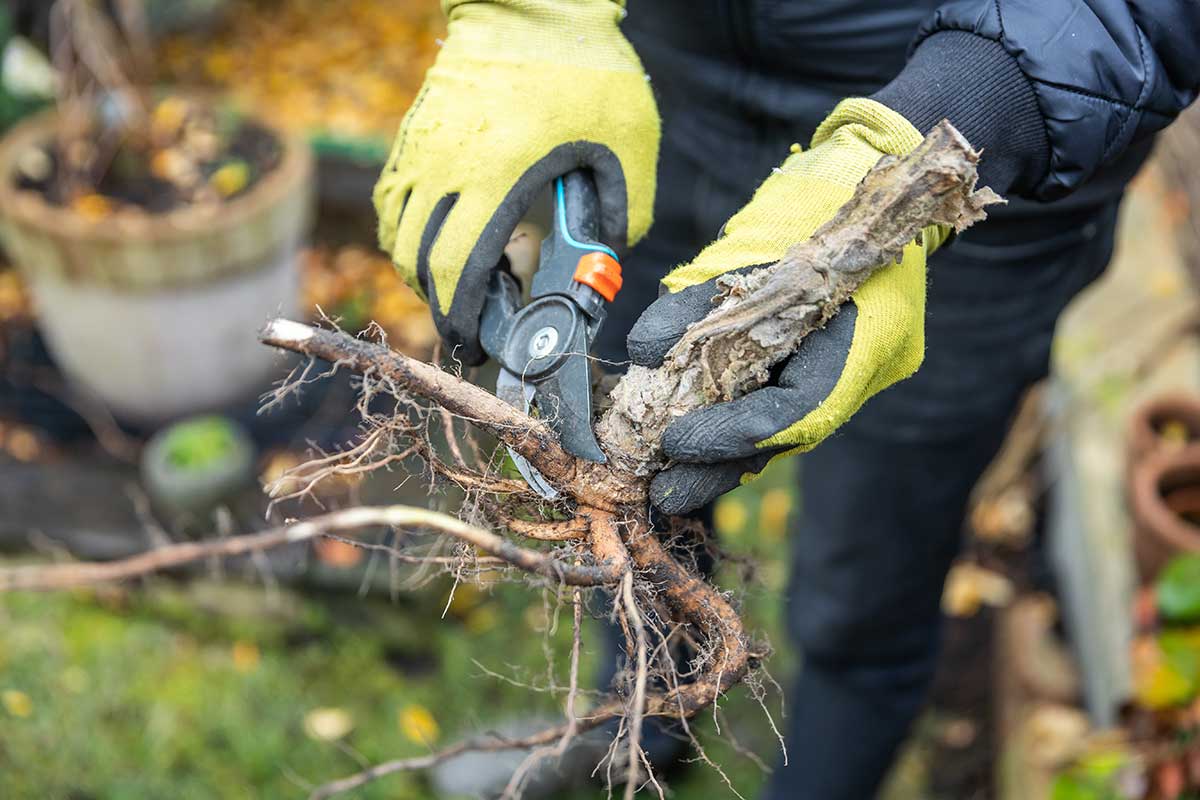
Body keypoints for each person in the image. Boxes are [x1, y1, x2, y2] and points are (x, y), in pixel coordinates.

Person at [374, 1, 1200, 797]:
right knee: (629, 490)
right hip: (663, 84)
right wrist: (530, 11)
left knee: (864, 591)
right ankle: (634, 739)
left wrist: (975, 107)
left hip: (978, 143)